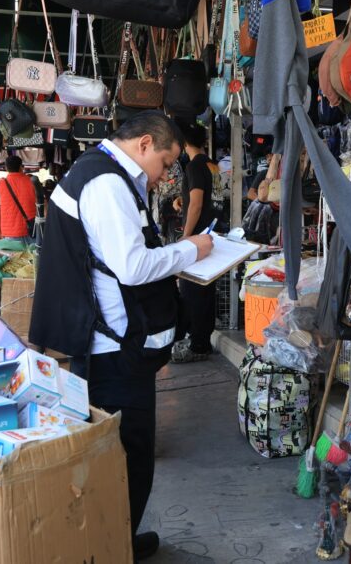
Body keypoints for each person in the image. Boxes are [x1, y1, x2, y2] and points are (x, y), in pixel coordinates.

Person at [28, 111, 213, 561]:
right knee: (128, 455)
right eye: (167, 163)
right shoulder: (107, 184)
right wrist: (191, 250)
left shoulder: (104, 173)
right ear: (145, 144)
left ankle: (118, 538)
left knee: (121, 454)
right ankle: (114, 547)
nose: (167, 175)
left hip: (110, 342)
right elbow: (130, 266)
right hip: (112, 349)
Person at [171, 120, 220, 363]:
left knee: (192, 291)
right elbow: (206, 199)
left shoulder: (194, 166)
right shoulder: (212, 165)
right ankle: (202, 342)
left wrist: (186, 236)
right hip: (212, 233)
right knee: (204, 290)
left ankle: (197, 344)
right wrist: (183, 202)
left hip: (199, 237)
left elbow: (198, 202)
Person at [0, 157, 37, 242]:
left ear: (6, 168)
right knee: (33, 254)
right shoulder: (32, 181)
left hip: (10, 232)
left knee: (15, 255)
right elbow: (43, 205)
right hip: (32, 229)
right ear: (21, 167)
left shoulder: (1, 184)